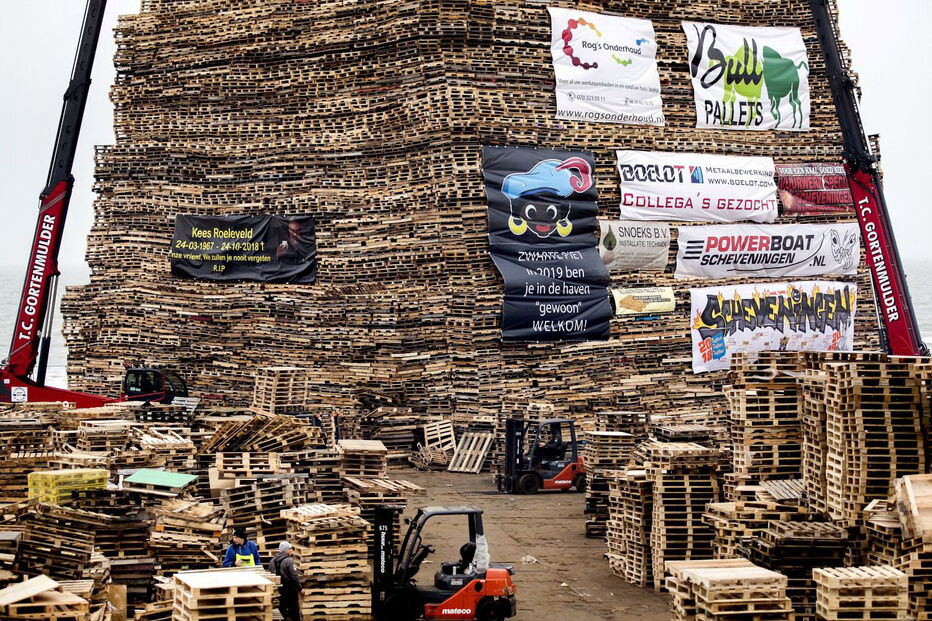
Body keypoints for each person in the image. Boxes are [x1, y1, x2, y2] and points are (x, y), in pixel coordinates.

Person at [268, 541, 303, 621]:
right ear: (285, 550)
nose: (291, 550)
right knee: (294, 611)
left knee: (282, 609)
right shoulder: (288, 561)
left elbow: (270, 575)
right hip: (290, 591)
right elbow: (294, 576)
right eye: (290, 549)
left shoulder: (272, 561)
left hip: (279, 591)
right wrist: (300, 588)